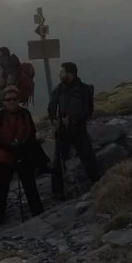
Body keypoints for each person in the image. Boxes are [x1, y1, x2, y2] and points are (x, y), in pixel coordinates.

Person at [0, 86, 44, 225]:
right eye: (8, 99)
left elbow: (31, 133)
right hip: (5, 156)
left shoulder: (25, 114)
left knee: (29, 183)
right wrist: (11, 148)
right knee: (2, 186)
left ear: (18, 99)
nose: (12, 102)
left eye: (14, 99)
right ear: (4, 101)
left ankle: (37, 211)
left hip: (22, 154)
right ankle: (0, 213)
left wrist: (21, 148)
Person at [48, 62, 103, 198]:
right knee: (58, 162)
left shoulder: (84, 90)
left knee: (88, 158)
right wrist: (54, 119)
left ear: (70, 74)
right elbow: (51, 107)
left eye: (62, 72)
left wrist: (75, 119)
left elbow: (88, 111)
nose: (60, 75)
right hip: (63, 131)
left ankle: (98, 184)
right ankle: (58, 191)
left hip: (78, 130)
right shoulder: (59, 89)